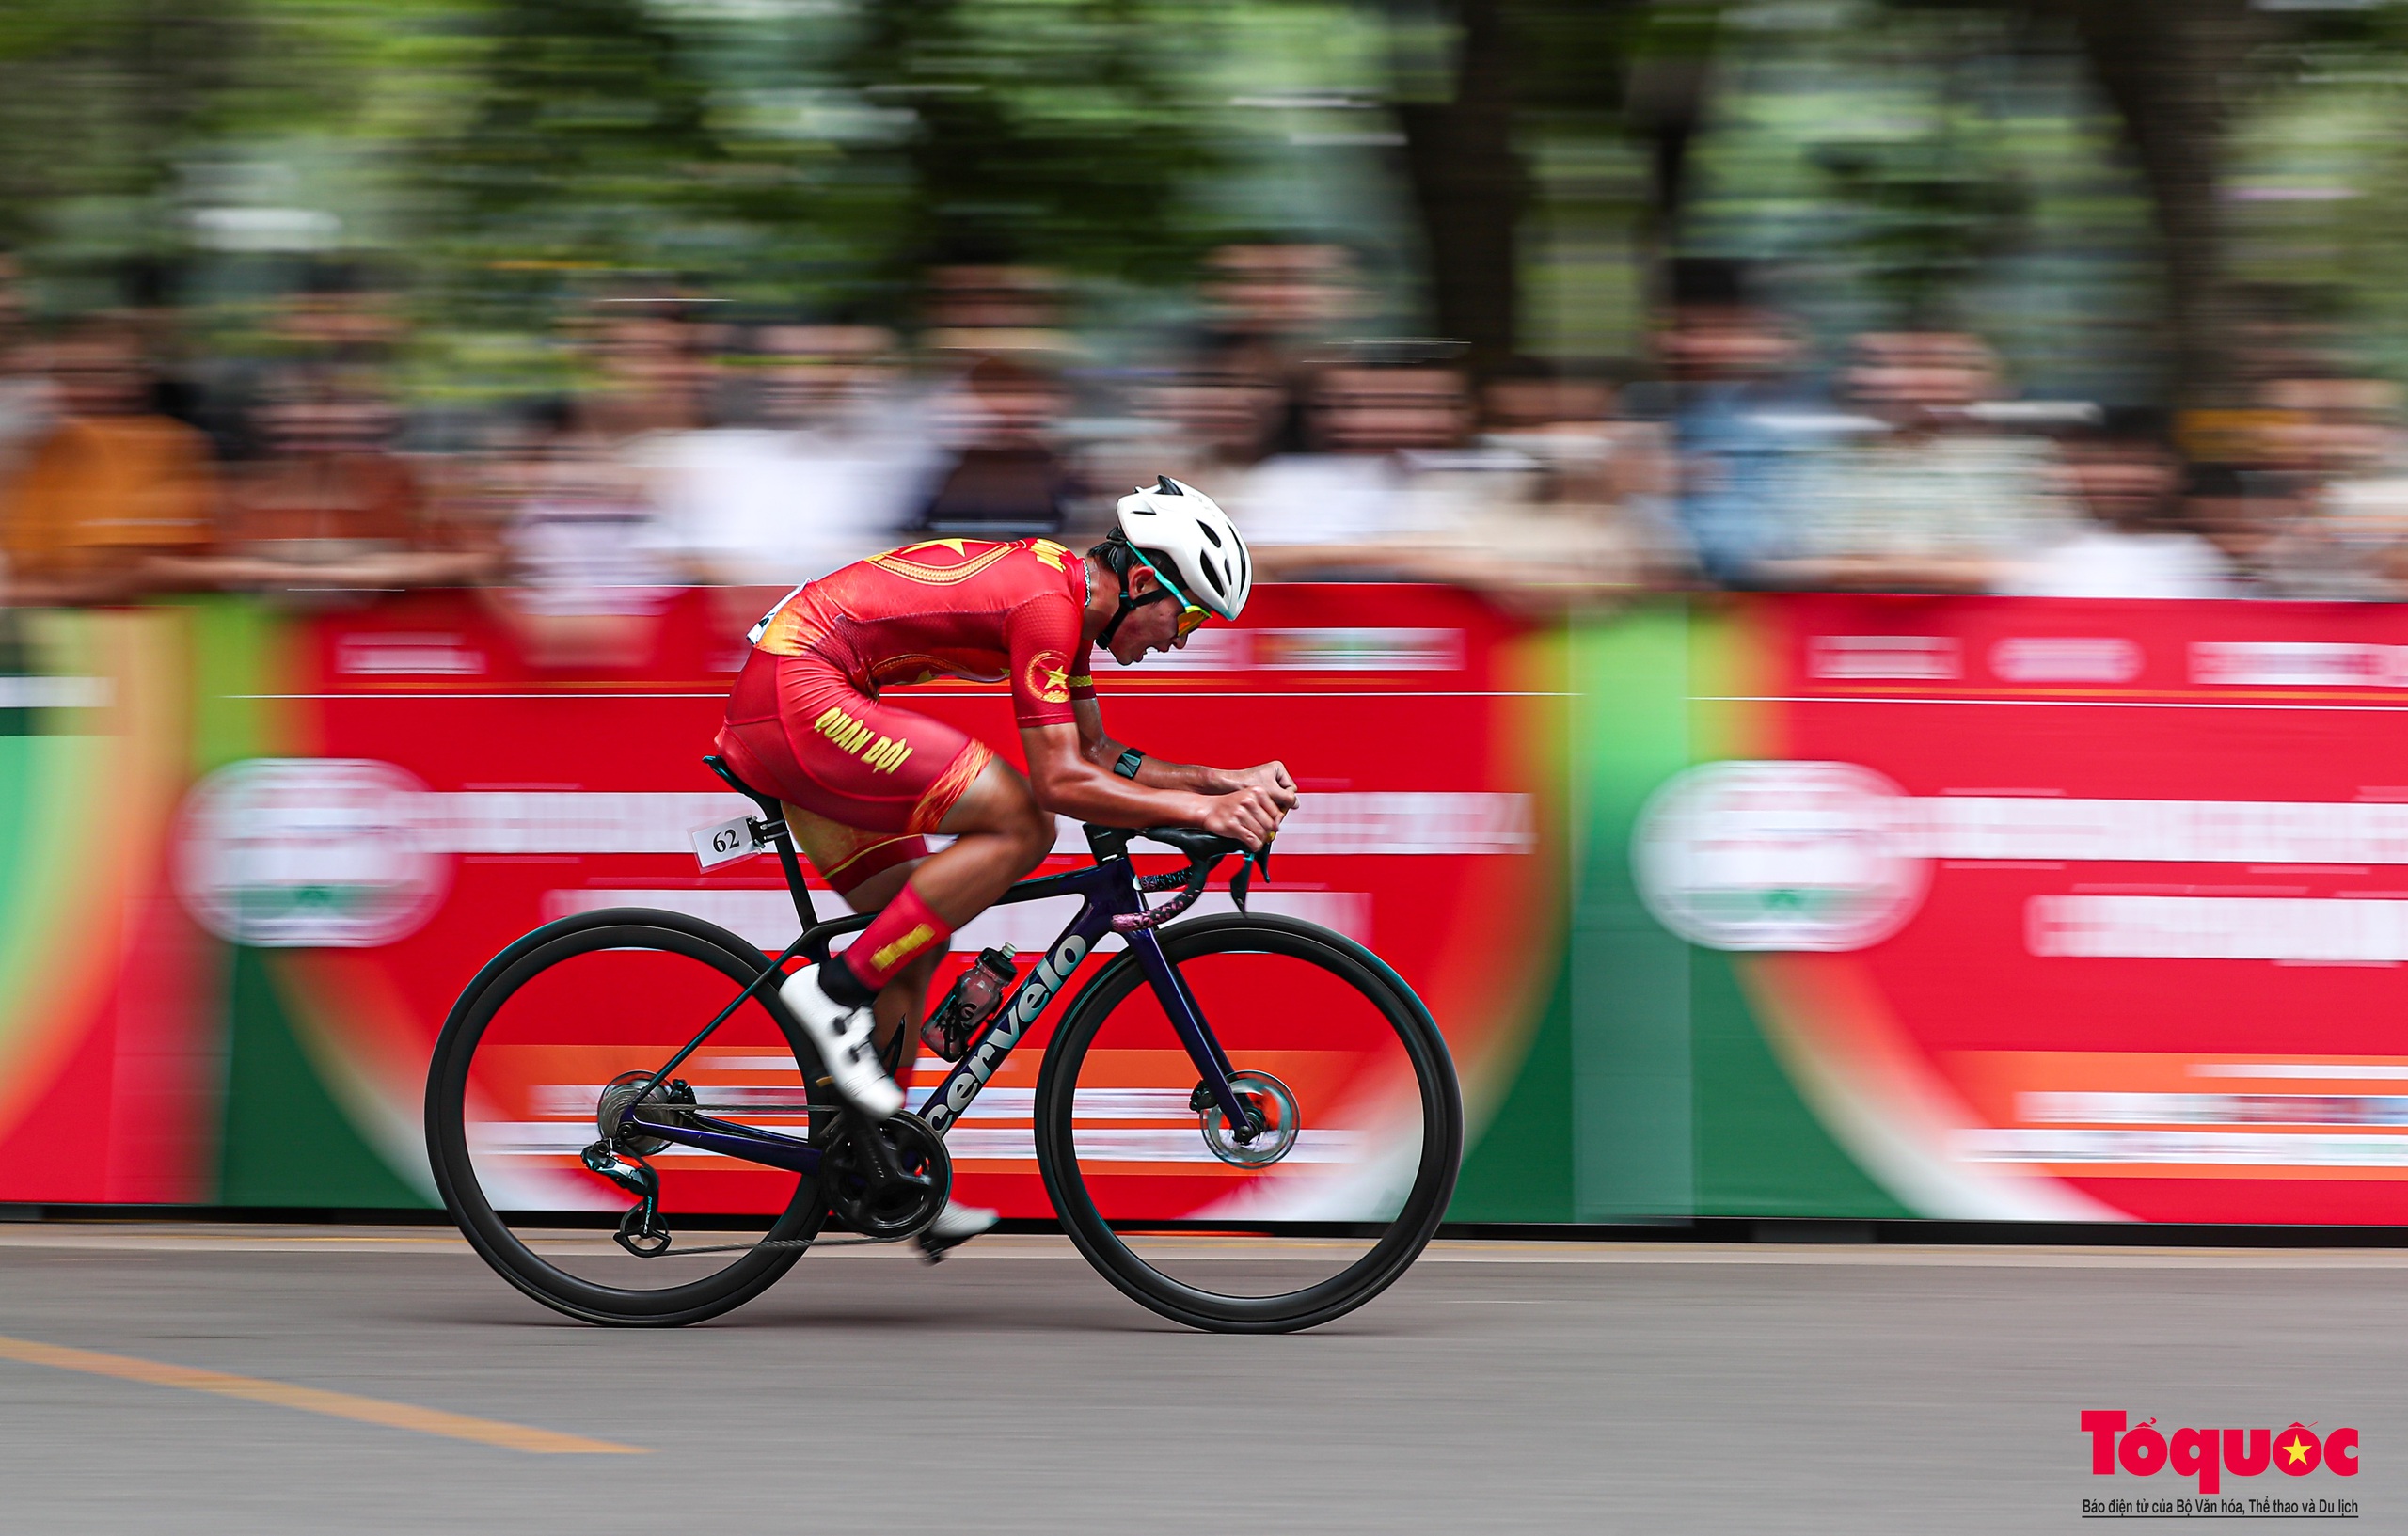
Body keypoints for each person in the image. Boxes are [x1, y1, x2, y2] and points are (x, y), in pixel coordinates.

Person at [714, 476, 1293, 1254]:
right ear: (1145, 579)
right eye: (1187, 614)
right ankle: (832, 992)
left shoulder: (1068, 606)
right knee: (1023, 820)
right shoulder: (1047, 604)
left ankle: (882, 1166)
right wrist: (1202, 814)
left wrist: (1221, 783)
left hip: (799, 696)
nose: (1183, 637)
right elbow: (1060, 783)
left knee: (911, 937)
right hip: (800, 691)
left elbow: (1096, 756)